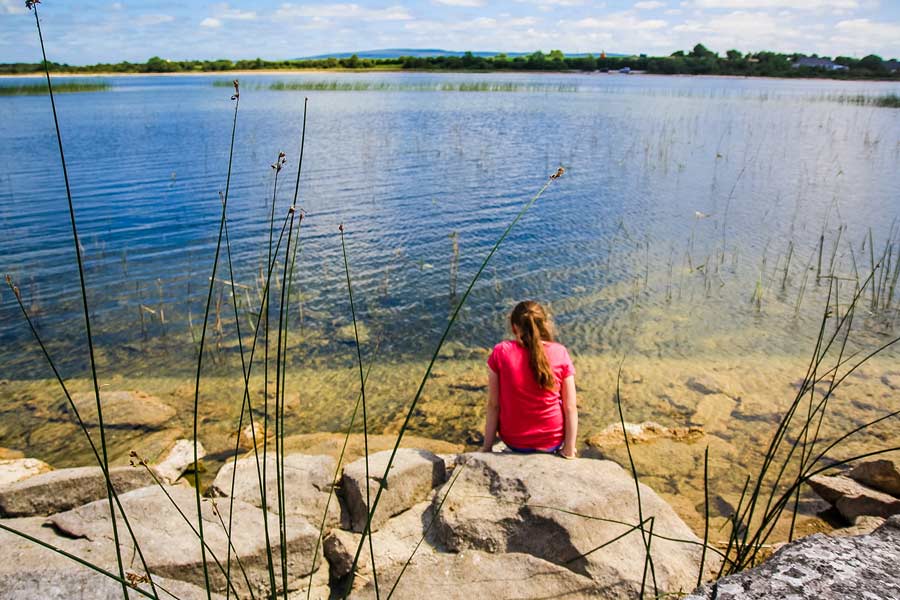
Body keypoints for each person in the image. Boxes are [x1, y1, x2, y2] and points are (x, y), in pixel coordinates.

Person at [480, 300, 578, 459]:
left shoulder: (501, 352)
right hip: (551, 442)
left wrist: (487, 448)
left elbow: (494, 405)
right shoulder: (560, 352)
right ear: (545, 325)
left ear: (514, 327)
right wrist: (569, 450)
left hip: (513, 441)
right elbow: (571, 407)